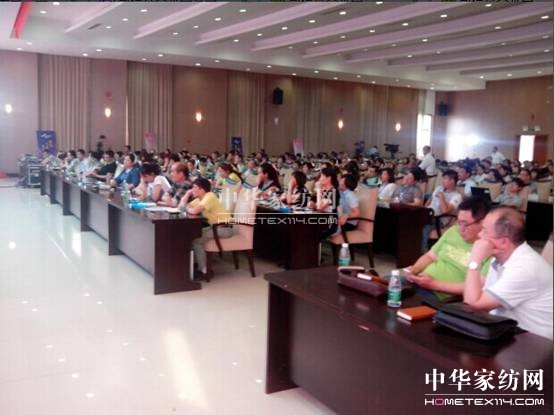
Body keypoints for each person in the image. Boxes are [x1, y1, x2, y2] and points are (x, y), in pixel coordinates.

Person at [463, 207, 553, 339]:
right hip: (506, 330)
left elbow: (474, 305)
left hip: (536, 342)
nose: (479, 235)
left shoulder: (524, 268)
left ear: (503, 242)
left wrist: (474, 261)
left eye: (485, 231)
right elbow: (480, 299)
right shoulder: (502, 257)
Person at [406, 197, 492, 300]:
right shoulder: (453, 231)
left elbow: (476, 288)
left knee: (399, 301)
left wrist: (433, 284)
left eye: (465, 224)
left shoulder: (489, 250)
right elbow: (430, 256)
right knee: (391, 283)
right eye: (459, 222)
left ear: (483, 222)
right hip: (421, 282)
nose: (461, 229)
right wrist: (414, 270)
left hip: (441, 296)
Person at [179, 178, 233, 280]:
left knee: (197, 240)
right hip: (215, 228)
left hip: (225, 229)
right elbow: (181, 208)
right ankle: (198, 266)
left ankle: (205, 271)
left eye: (194, 187)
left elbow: (194, 211)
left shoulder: (210, 196)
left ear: (202, 189)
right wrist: (186, 195)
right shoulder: (200, 199)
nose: (192, 189)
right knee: (192, 236)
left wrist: (187, 208)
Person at [421, 169, 462, 252]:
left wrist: (442, 197)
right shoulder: (439, 188)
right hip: (428, 214)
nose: (442, 181)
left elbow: (444, 211)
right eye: (443, 178)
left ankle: (423, 251)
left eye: (445, 179)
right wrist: (423, 210)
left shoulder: (457, 196)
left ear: (452, 181)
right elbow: (429, 201)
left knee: (425, 227)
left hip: (439, 220)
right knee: (409, 221)